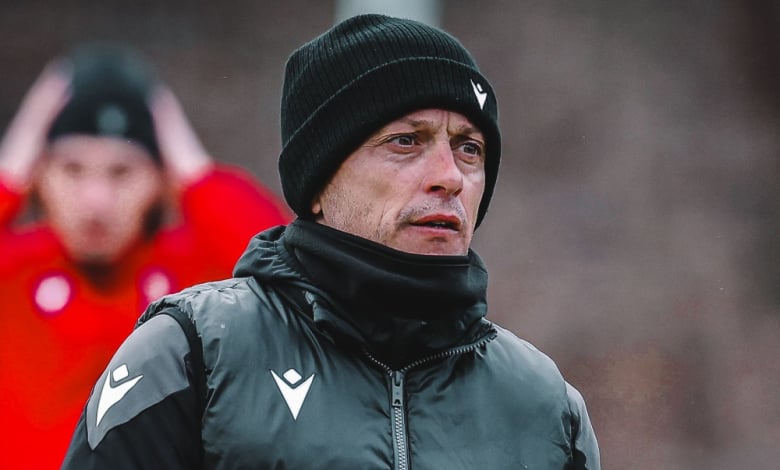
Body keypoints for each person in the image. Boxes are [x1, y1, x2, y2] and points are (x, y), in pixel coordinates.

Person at [62, 15, 600, 469]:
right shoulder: (191, 354)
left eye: (469, 148)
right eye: (405, 141)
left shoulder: (545, 403)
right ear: (318, 181)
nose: (450, 176)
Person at [0, 43, 291, 469]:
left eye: (122, 172)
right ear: (38, 176)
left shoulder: (193, 274)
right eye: (71, 169)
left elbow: (286, 268)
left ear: (161, 180)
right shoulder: (14, 267)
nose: (96, 201)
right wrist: (11, 167)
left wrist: (194, 171)